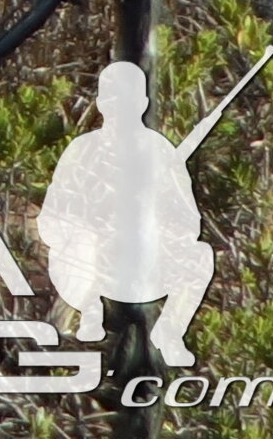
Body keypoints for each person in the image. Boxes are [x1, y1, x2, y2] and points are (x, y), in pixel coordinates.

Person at [44, 58, 218, 366]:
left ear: (142, 103)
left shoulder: (160, 151)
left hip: (146, 261)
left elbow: (188, 220)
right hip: (91, 262)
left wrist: (152, 218)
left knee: (200, 256)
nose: (118, 108)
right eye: (111, 99)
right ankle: (67, 331)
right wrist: (92, 225)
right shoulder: (83, 150)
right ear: (100, 103)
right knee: (81, 249)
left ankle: (167, 336)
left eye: (126, 100)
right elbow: (51, 219)